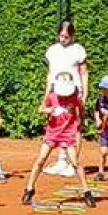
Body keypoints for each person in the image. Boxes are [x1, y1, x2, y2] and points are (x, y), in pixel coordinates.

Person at [20, 70, 96, 208]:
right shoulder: (52, 97)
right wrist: (50, 110)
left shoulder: (75, 98)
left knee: (75, 163)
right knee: (41, 159)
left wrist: (79, 123)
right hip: (52, 133)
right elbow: (41, 109)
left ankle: (86, 192)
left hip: (68, 133)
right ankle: (29, 188)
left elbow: (81, 110)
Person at [43, 20, 88, 178]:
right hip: (56, 92)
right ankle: (61, 161)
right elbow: (50, 74)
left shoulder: (78, 50)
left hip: (73, 92)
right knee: (57, 123)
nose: (63, 39)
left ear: (73, 36)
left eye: (66, 37)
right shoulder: (52, 51)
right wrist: (46, 94)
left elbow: (84, 73)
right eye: (61, 36)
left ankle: (73, 164)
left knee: (75, 126)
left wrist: (84, 94)